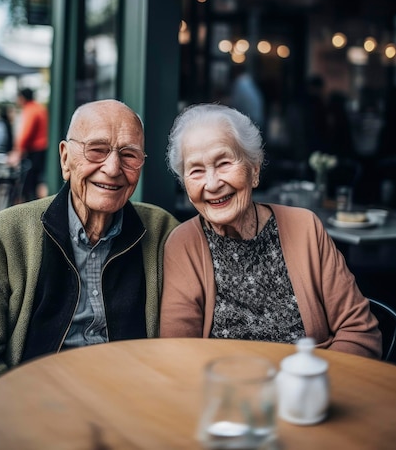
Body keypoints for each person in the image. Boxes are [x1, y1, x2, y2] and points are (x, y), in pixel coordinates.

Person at [0, 99, 179, 388]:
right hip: (34, 405)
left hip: (133, 399)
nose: (112, 168)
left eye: (129, 155)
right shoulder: (8, 234)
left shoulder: (161, 232)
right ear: (65, 159)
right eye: (97, 150)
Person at [159, 103, 382, 359]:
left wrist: (313, 385)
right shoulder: (182, 245)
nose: (212, 183)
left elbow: (360, 332)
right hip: (227, 391)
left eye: (223, 163)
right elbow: (179, 354)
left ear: (254, 169)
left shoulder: (305, 228)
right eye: (196, 170)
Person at [8, 87, 49, 201]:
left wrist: (18, 152)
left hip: (34, 150)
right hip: (42, 149)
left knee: (27, 183)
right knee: (36, 180)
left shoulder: (30, 110)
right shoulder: (39, 108)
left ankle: (28, 209)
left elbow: (26, 133)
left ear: (22, 98)